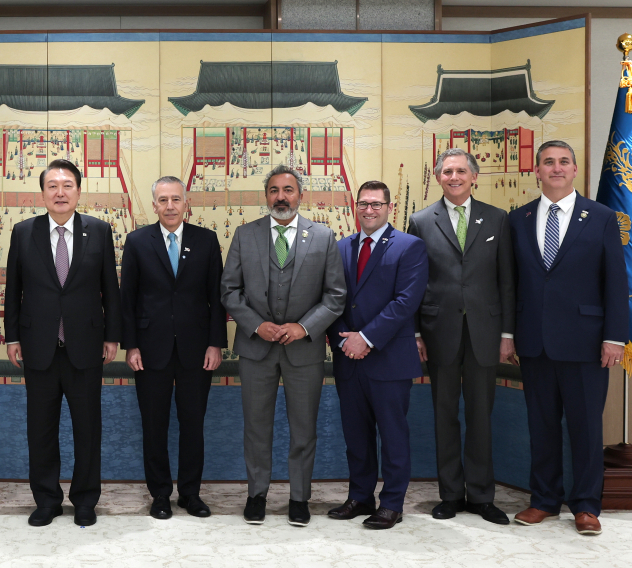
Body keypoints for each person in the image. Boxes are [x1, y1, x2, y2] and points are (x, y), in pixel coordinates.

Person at [508, 140, 627, 536]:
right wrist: (509, 334)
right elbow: (511, 284)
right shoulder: (519, 218)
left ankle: (587, 505)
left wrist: (615, 337)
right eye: (548, 163)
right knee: (541, 426)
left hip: (587, 343)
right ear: (537, 172)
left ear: (575, 170)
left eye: (563, 162)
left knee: (586, 428)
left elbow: (616, 282)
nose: (556, 168)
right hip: (534, 342)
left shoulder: (602, 217)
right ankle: (543, 500)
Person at [221, 165, 346, 527]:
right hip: (255, 349)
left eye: (288, 190)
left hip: (304, 350)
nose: (281, 197)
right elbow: (229, 290)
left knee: (303, 427)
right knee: (256, 427)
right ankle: (256, 494)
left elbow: (335, 296)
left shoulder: (323, 236)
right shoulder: (245, 235)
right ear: (266, 196)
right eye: (274, 190)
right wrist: (256, 325)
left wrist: (304, 327)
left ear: (300, 195)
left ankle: (298, 497)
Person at [4, 159, 121, 527]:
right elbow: (14, 291)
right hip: (38, 347)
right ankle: (47, 500)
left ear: (78, 191)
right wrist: (13, 337)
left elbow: (110, 290)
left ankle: (85, 499)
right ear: (42, 193)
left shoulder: (99, 231)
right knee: (41, 430)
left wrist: (113, 335)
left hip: (86, 346)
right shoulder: (24, 232)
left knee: (88, 429)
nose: (59, 192)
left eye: (67, 185)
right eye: (52, 185)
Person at [407, 148, 515, 525]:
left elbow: (506, 281)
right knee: (444, 414)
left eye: (460, 171)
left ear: (473, 177)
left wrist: (507, 333)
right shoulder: (420, 221)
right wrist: (416, 331)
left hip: (485, 333)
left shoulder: (498, 219)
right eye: (447, 171)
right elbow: (414, 283)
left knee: (481, 416)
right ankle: (450, 494)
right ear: (439, 178)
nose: (453, 177)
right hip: (440, 332)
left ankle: (483, 496)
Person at [120, 176, 227, 520]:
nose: (169, 206)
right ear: (154, 205)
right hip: (150, 349)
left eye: (175, 199)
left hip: (197, 349)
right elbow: (127, 300)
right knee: (154, 425)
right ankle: (161, 494)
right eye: (163, 200)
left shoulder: (207, 240)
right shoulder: (137, 241)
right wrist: (131, 346)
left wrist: (215, 343)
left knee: (193, 423)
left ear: (186, 203)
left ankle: (190, 494)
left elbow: (216, 297)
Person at [326, 180, 428, 530]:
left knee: (393, 434)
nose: (369, 210)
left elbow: (406, 302)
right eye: (363, 203)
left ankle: (393, 503)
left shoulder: (409, 246)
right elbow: (330, 299)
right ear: (356, 207)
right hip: (347, 358)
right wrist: (343, 340)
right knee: (356, 434)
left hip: (388, 358)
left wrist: (366, 338)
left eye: (376, 204)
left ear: (389, 207)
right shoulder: (340, 247)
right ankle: (360, 496)